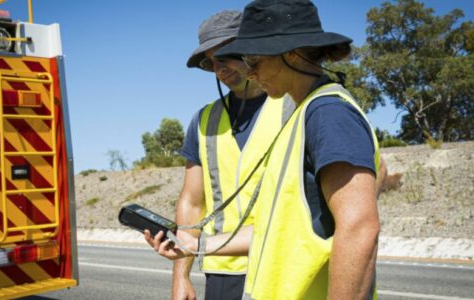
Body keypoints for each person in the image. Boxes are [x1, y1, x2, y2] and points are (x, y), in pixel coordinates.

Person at [146, 0, 387, 299]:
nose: (248, 71)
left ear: (291, 54)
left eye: (253, 59)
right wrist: (194, 246)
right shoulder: (301, 115)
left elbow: (359, 228)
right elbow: (276, 228)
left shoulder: (326, 113)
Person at [172, 10, 294, 300]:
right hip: (223, 271)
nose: (219, 69)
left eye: (225, 56)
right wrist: (180, 277)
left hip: (284, 267)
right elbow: (191, 202)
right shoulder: (204, 121)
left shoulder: (297, 105)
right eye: (211, 63)